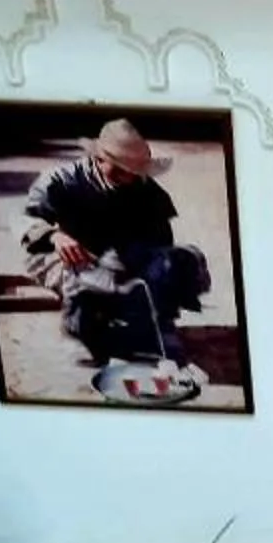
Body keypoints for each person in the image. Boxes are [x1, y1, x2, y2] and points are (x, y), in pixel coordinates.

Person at [19, 120, 211, 369]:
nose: (128, 177)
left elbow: (161, 241)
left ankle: (156, 325)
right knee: (87, 278)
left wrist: (153, 279)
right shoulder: (61, 180)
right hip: (70, 258)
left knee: (182, 261)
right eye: (119, 169)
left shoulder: (146, 189)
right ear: (98, 158)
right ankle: (79, 328)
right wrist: (54, 236)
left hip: (120, 258)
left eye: (134, 171)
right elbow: (25, 219)